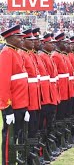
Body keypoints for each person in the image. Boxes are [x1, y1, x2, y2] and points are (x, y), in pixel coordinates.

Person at [0, 25, 30, 165]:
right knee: (9, 138)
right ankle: (7, 162)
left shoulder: (15, 53)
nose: (21, 38)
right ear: (10, 38)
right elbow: (3, 83)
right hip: (13, 105)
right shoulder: (6, 53)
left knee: (16, 136)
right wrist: (7, 107)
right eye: (18, 36)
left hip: (21, 103)